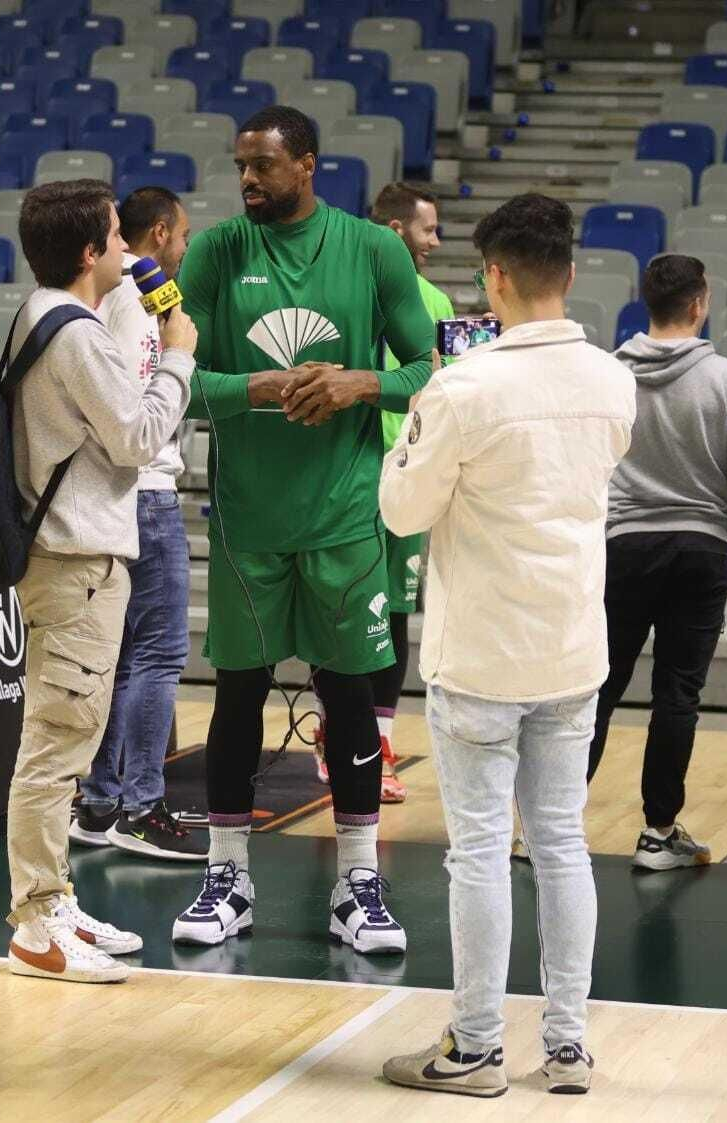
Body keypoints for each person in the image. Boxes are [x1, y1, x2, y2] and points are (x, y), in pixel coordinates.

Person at [378, 193, 636, 1098]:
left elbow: (403, 511)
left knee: (481, 852)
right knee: (562, 844)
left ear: (492, 280)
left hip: (483, 651)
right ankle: (567, 1048)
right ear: (567, 274)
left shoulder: (463, 385)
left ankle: (476, 1048)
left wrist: (400, 454)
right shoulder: (614, 378)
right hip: (570, 645)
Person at [169, 106, 434, 954]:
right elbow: (173, 380)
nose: (246, 179)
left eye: (263, 166)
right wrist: (255, 388)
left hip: (347, 519)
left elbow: (438, 371)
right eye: (240, 165)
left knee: (350, 696)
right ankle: (227, 875)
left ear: (309, 166)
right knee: (236, 694)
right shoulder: (215, 252)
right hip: (248, 520)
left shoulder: (375, 250)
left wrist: (363, 382)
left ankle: (358, 881)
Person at [5, 179, 194, 983]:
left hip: (68, 553)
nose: (129, 251)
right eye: (118, 238)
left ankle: (53, 895)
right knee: (56, 743)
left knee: (68, 736)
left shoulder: (38, 310)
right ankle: (36, 921)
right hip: (75, 556)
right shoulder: (75, 332)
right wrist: (179, 353)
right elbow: (138, 437)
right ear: (90, 252)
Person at [592, 253, 727, 869]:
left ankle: (545, 828)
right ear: (700, 302)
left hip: (622, 545)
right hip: (701, 548)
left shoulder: (609, 373)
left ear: (648, 301)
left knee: (597, 688)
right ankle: (658, 833)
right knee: (678, 694)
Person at [68, 185, 205, 861]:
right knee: (158, 654)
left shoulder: (120, 296)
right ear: (157, 234)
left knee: (122, 658)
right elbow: (133, 402)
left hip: (123, 491)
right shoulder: (135, 303)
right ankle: (142, 804)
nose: (184, 247)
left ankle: (98, 802)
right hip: (144, 489)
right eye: (179, 235)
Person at [308, 183, 455, 804]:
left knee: (394, 613)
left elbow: (444, 385)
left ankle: (383, 741)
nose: (436, 240)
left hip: (412, 477)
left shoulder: (439, 299)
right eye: (428, 229)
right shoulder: (342, 287)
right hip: (348, 476)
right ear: (396, 231)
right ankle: (333, 733)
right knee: (341, 611)